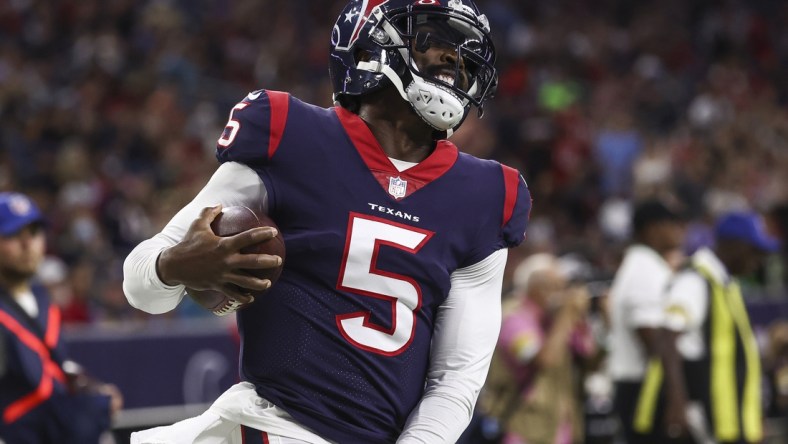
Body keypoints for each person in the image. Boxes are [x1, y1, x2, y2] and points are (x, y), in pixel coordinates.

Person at [122, 0, 532, 443]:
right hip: (274, 425)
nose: (453, 56)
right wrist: (174, 266)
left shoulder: (488, 194)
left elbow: (456, 381)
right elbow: (140, 285)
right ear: (365, 46)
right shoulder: (290, 133)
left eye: (461, 47)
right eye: (432, 38)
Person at [0, 192, 123, 443]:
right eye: (13, 235)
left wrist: (91, 386)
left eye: (34, 233)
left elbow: (53, 362)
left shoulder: (42, 298)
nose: (28, 244)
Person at [662, 211, 780, 444]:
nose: (759, 261)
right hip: (707, 418)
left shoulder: (726, 284)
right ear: (734, 246)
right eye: (755, 251)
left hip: (731, 419)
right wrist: (676, 400)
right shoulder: (695, 280)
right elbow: (667, 338)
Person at [479, 253, 595, 444]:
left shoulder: (554, 318)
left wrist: (581, 320)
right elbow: (543, 360)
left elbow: (589, 357)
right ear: (535, 288)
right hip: (522, 427)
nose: (564, 295)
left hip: (560, 426)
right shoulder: (514, 319)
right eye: (557, 287)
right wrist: (566, 316)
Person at [607, 198, 690, 443]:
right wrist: (677, 395)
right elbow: (651, 336)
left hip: (644, 385)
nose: (680, 231)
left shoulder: (646, 265)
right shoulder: (644, 269)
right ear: (653, 228)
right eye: (673, 224)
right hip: (644, 388)